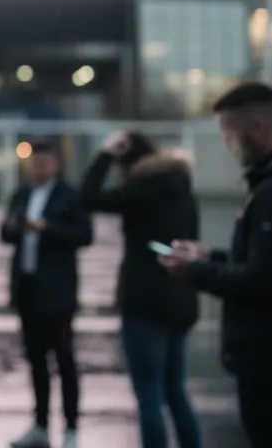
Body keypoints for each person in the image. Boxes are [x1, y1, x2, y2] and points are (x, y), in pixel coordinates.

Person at [157, 83, 272, 448]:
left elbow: (266, 283)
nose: (227, 144)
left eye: (229, 132)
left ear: (256, 127)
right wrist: (209, 257)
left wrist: (192, 272)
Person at [78, 130, 202, 448]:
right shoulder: (183, 189)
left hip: (144, 300)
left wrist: (105, 155)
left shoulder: (140, 189)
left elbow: (87, 198)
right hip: (182, 296)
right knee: (175, 390)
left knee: (148, 394)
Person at [0, 140, 94, 448]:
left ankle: (71, 429)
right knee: (36, 361)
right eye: (34, 163)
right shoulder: (22, 193)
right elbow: (5, 234)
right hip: (27, 290)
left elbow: (85, 235)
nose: (38, 168)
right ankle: (40, 426)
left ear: (55, 164)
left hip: (58, 294)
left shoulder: (69, 195)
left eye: (44, 163)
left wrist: (45, 228)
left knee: (64, 361)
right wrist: (14, 227)